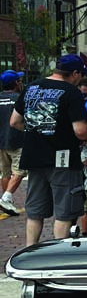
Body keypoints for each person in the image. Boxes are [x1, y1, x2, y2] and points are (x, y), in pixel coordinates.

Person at [11, 53, 87, 246]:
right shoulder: (71, 92)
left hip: (33, 157)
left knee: (35, 212)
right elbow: (80, 131)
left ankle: (30, 252)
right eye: (81, 75)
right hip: (62, 159)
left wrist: (38, 131)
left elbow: (14, 121)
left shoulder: (31, 87)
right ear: (75, 73)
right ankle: (59, 254)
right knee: (64, 212)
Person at [0, 70, 26, 214]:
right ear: (16, 83)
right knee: (20, 171)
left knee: (5, 173)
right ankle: (6, 198)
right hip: (17, 140)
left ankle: (6, 201)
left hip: (1, 142)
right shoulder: (19, 98)